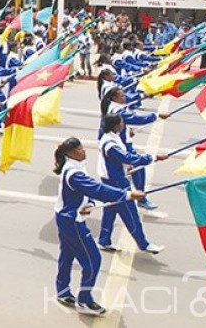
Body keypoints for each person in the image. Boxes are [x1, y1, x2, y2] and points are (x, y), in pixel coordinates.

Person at [53, 137, 145, 316]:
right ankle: (85, 300)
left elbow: (86, 192)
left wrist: (88, 203)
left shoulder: (73, 166)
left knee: (67, 254)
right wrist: (127, 195)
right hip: (72, 221)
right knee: (93, 260)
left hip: (65, 217)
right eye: (79, 149)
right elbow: (97, 189)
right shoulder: (74, 172)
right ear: (70, 153)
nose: (83, 150)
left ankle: (63, 290)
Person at [96, 114, 166, 254]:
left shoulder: (112, 137)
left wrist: (127, 165)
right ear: (116, 126)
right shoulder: (110, 143)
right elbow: (126, 157)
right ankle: (143, 244)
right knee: (130, 213)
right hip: (116, 181)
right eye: (122, 122)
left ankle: (104, 240)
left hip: (111, 178)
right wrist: (152, 157)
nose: (123, 124)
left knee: (110, 211)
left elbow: (122, 159)